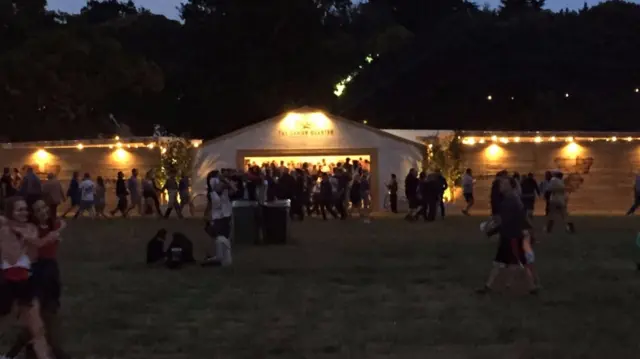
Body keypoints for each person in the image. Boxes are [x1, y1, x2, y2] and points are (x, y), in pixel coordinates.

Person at [3, 200, 69, 359]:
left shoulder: (46, 226)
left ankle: (24, 353)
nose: (42, 211)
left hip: (45, 276)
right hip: (28, 275)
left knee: (38, 323)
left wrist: (56, 230)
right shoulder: (20, 229)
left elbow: (60, 224)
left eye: (44, 207)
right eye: (37, 209)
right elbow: (31, 247)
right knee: (39, 321)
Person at [477, 177, 539, 295]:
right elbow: (520, 217)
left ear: (511, 186)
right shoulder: (511, 199)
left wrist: (491, 232)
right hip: (509, 236)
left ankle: (531, 286)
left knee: (519, 262)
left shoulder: (510, 201)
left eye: (504, 184)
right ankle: (488, 286)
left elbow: (506, 221)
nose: (501, 186)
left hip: (512, 237)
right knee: (501, 262)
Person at [203, 171, 235, 266]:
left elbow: (234, 190)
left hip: (225, 214)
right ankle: (220, 256)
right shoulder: (214, 187)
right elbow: (217, 188)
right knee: (219, 236)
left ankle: (224, 257)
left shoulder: (224, 190)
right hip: (218, 216)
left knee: (225, 236)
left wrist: (227, 181)